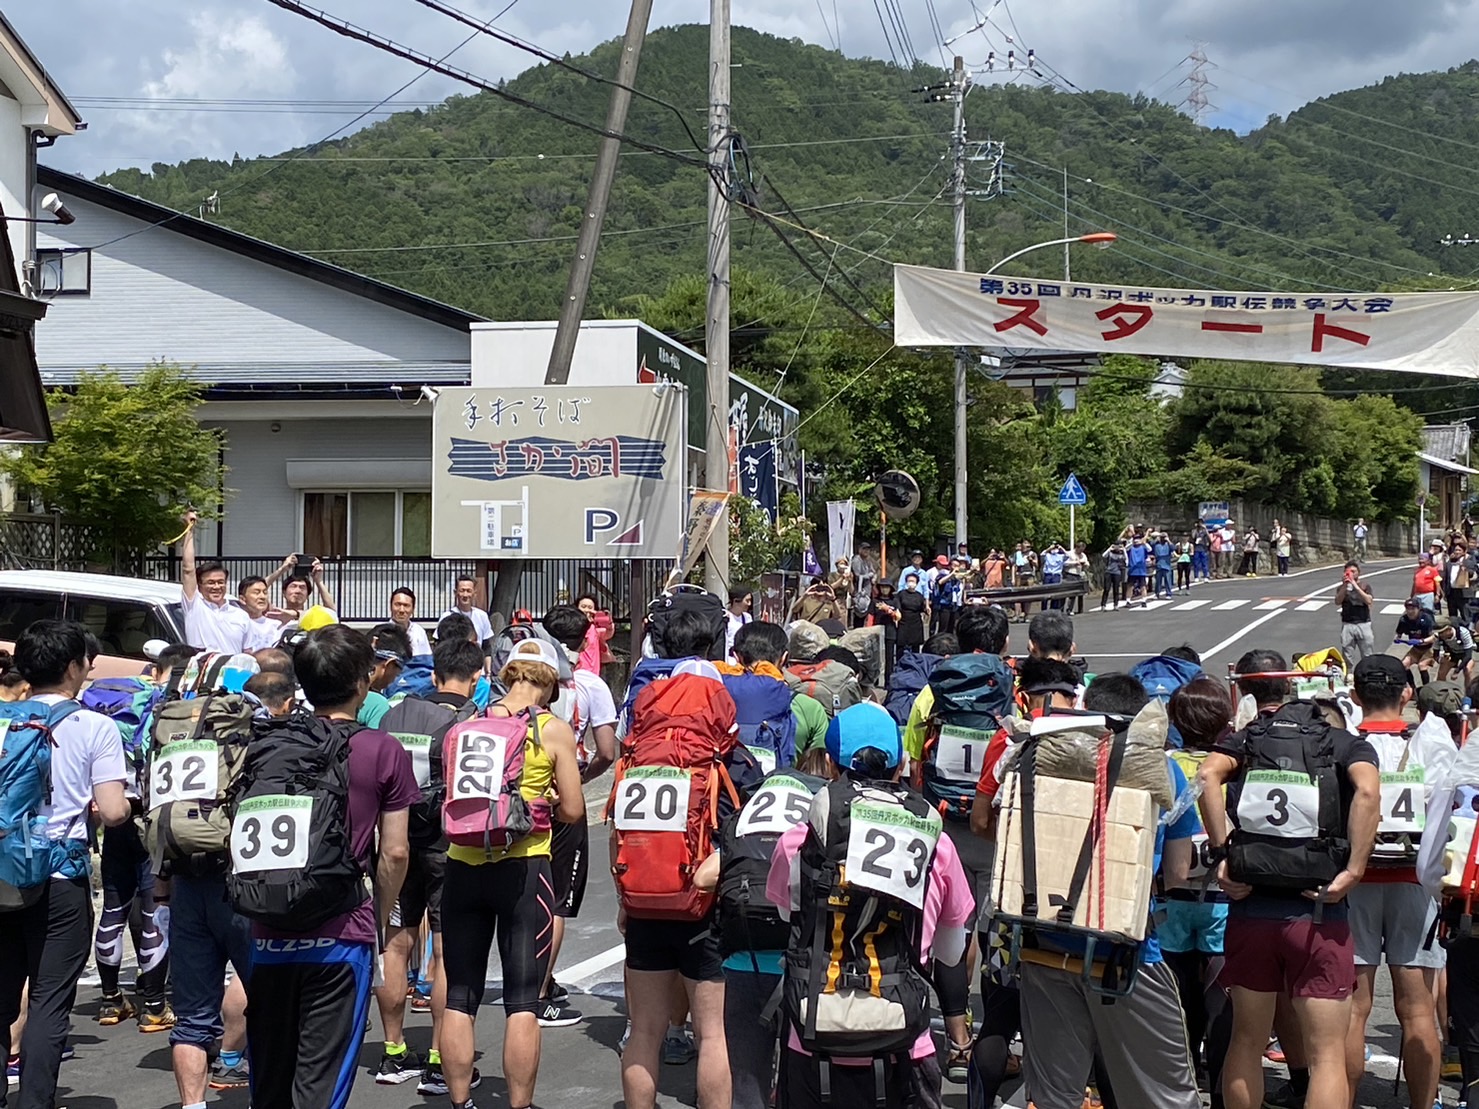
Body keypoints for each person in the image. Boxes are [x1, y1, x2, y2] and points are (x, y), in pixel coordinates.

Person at [766, 701, 973, 1109]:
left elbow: (787, 916)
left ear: (829, 764)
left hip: (812, 1032)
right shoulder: (936, 843)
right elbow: (950, 952)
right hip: (901, 1037)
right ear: (898, 766)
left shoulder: (799, 840)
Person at [1197, 649, 1380, 1109]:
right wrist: (1354, 868)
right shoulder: (1342, 743)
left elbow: (1206, 775)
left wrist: (1224, 853)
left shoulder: (1243, 741)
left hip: (1253, 904)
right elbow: (1369, 790)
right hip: (1319, 908)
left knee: (1245, 1041)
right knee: (1326, 1057)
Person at [245, 625, 418, 1109]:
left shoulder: (271, 743)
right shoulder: (382, 749)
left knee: (271, 1083)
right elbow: (396, 852)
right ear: (364, 682)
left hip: (268, 926)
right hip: (341, 933)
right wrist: (378, 920)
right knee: (321, 1085)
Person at [440, 638, 584, 1109]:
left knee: (460, 996)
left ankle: (461, 1102)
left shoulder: (467, 723)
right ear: (550, 683)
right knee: (522, 999)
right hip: (524, 867)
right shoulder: (552, 729)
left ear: (509, 674)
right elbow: (573, 809)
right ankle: (519, 1106)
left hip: (462, 865)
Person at [0, 622, 130, 1109]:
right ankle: (35, 1101)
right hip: (60, 878)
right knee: (49, 1000)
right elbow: (113, 810)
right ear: (75, 667)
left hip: (2, 872)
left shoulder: (2, 721)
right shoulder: (95, 726)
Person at [1343, 655, 1453, 1109]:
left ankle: (1341, 1097)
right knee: (1417, 1008)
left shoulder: (1345, 741)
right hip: (1415, 881)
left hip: (1355, 881)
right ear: (1407, 695)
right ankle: (1424, 1104)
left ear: (1355, 697)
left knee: (1352, 1009)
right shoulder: (1430, 741)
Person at [538, 605, 619, 1024]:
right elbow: (607, 750)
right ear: (585, 641)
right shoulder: (589, 685)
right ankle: (539, 990)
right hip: (564, 801)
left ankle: (527, 981)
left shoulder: (520, 681)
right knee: (556, 901)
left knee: (522, 893)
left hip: (524, 798)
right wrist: (578, 780)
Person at [1166, 677, 1237, 1109]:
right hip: (1221, 900)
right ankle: (1222, 1088)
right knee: (1221, 997)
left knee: (1176, 999)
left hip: (1169, 898)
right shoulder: (1231, 765)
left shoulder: (1163, 764)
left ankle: (1180, 1084)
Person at [179, 510, 250, 654]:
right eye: (210, 583)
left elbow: (247, 652)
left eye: (221, 582)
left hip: (232, 673)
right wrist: (189, 530)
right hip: (203, 672)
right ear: (199, 585)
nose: (217, 587)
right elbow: (188, 569)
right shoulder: (194, 606)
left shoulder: (241, 615)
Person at [264, 554, 335, 618]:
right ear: (284, 592)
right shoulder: (275, 613)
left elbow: (331, 612)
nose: (298, 591)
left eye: (302, 587)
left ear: (307, 595)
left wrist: (319, 581)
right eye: (293, 586)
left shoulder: (312, 617)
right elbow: (259, 587)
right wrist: (282, 569)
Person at [1336, 561, 1377, 665]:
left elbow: (1369, 600)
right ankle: (1349, 675)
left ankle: (1367, 673)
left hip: (1363, 623)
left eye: (1353, 571)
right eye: (1348, 572)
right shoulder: (1342, 587)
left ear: (1359, 573)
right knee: (1347, 653)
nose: (1351, 574)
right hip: (1347, 624)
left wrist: (1355, 585)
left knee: (1367, 653)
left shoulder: (1365, 586)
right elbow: (1337, 601)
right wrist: (1345, 586)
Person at [236, 576, 289, 652]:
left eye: (265, 592)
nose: (262, 597)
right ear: (242, 599)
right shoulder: (235, 624)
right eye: (256, 593)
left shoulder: (277, 625)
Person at [441, 574, 494, 649]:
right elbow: (441, 644)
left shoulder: (482, 616)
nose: (465, 595)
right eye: (462, 591)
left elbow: (486, 648)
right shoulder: (447, 617)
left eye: (469, 591)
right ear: (455, 593)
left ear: (474, 594)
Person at [1395, 598, 1439, 681]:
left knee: (1421, 666)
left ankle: (1426, 687)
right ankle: (1412, 687)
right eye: (1408, 609)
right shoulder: (1404, 620)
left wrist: (1421, 641)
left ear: (1418, 609)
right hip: (1416, 648)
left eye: (1413, 609)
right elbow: (1399, 633)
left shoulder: (1426, 619)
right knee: (1404, 664)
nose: (1410, 612)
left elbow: (1434, 637)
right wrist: (1398, 638)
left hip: (1429, 648)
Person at [575, 593, 616, 676]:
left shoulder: (595, 629)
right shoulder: (572, 627)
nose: (586, 610)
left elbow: (608, 632)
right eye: (583, 607)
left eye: (590, 608)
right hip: (576, 672)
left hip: (593, 673)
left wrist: (606, 620)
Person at [868, 581, 901, 677]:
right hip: (877, 630)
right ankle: (875, 679)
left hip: (890, 630)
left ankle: (888, 680)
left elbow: (898, 616)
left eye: (887, 587)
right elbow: (871, 616)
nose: (884, 589)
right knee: (875, 656)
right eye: (882, 587)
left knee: (889, 657)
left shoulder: (894, 600)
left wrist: (887, 610)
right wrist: (869, 630)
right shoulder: (875, 601)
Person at [388, 587, 432, 657]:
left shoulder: (419, 631)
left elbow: (426, 658)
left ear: (413, 609)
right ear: (390, 606)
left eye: (406, 605)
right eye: (398, 604)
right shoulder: (383, 632)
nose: (401, 610)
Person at [896, 573, 928, 654]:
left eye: (913, 581)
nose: (911, 583)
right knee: (901, 644)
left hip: (916, 622)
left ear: (917, 583)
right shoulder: (901, 594)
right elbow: (897, 606)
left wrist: (926, 610)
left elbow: (922, 608)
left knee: (915, 645)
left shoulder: (919, 596)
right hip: (903, 621)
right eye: (909, 581)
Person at [848, 543, 878, 629]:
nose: (866, 551)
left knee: (867, 613)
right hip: (859, 590)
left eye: (868, 549)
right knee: (859, 614)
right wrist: (869, 575)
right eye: (864, 549)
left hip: (867, 590)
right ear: (859, 549)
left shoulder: (868, 561)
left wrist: (874, 577)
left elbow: (874, 572)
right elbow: (857, 575)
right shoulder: (857, 560)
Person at [1101, 539, 1128, 611]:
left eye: (1119, 546)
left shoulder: (1121, 553)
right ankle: (1103, 605)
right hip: (1109, 572)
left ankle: (1116, 605)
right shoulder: (1110, 552)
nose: (1117, 547)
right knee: (1106, 589)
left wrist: (1124, 550)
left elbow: (1126, 560)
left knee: (1116, 589)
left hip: (1117, 572)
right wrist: (1110, 548)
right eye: (1116, 545)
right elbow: (1104, 555)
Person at [1126, 532, 1151, 607]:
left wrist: (1144, 542)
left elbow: (1150, 549)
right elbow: (1126, 548)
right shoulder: (1131, 548)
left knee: (1143, 586)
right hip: (1132, 570)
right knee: (1130, 586)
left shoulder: (1143, 547)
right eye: (1135, 539)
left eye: (1138, 539)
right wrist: (1132, 543)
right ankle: (1128, 601)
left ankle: (1144, 601)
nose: (1136, 541)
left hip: (1141, 570)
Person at [1152, 531, 1176, 600]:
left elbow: (1173, 548)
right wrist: (1156, 538)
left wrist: (1168, 540)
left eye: (1164, 537)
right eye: (1162, 537)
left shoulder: (1168, 545)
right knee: (1158, 581)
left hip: (1166, 565)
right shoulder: (1156, 544)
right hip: (1159, 565)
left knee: (1167, 581)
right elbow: (1151, 545)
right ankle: (1157, 593)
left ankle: (1168, 593)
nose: (1163, 539)